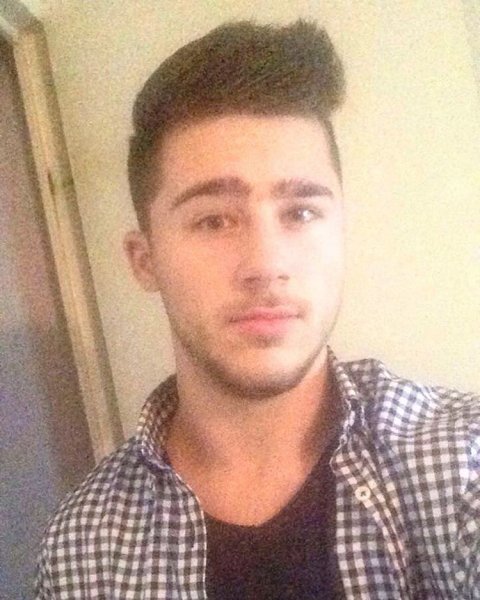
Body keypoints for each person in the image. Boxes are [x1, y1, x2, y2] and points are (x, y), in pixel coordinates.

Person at [35, 20, 479, 599]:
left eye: (300, 212)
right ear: (145, 261)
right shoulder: (81, 548)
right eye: (213, 220)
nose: (266, 264)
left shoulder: (461, 461)